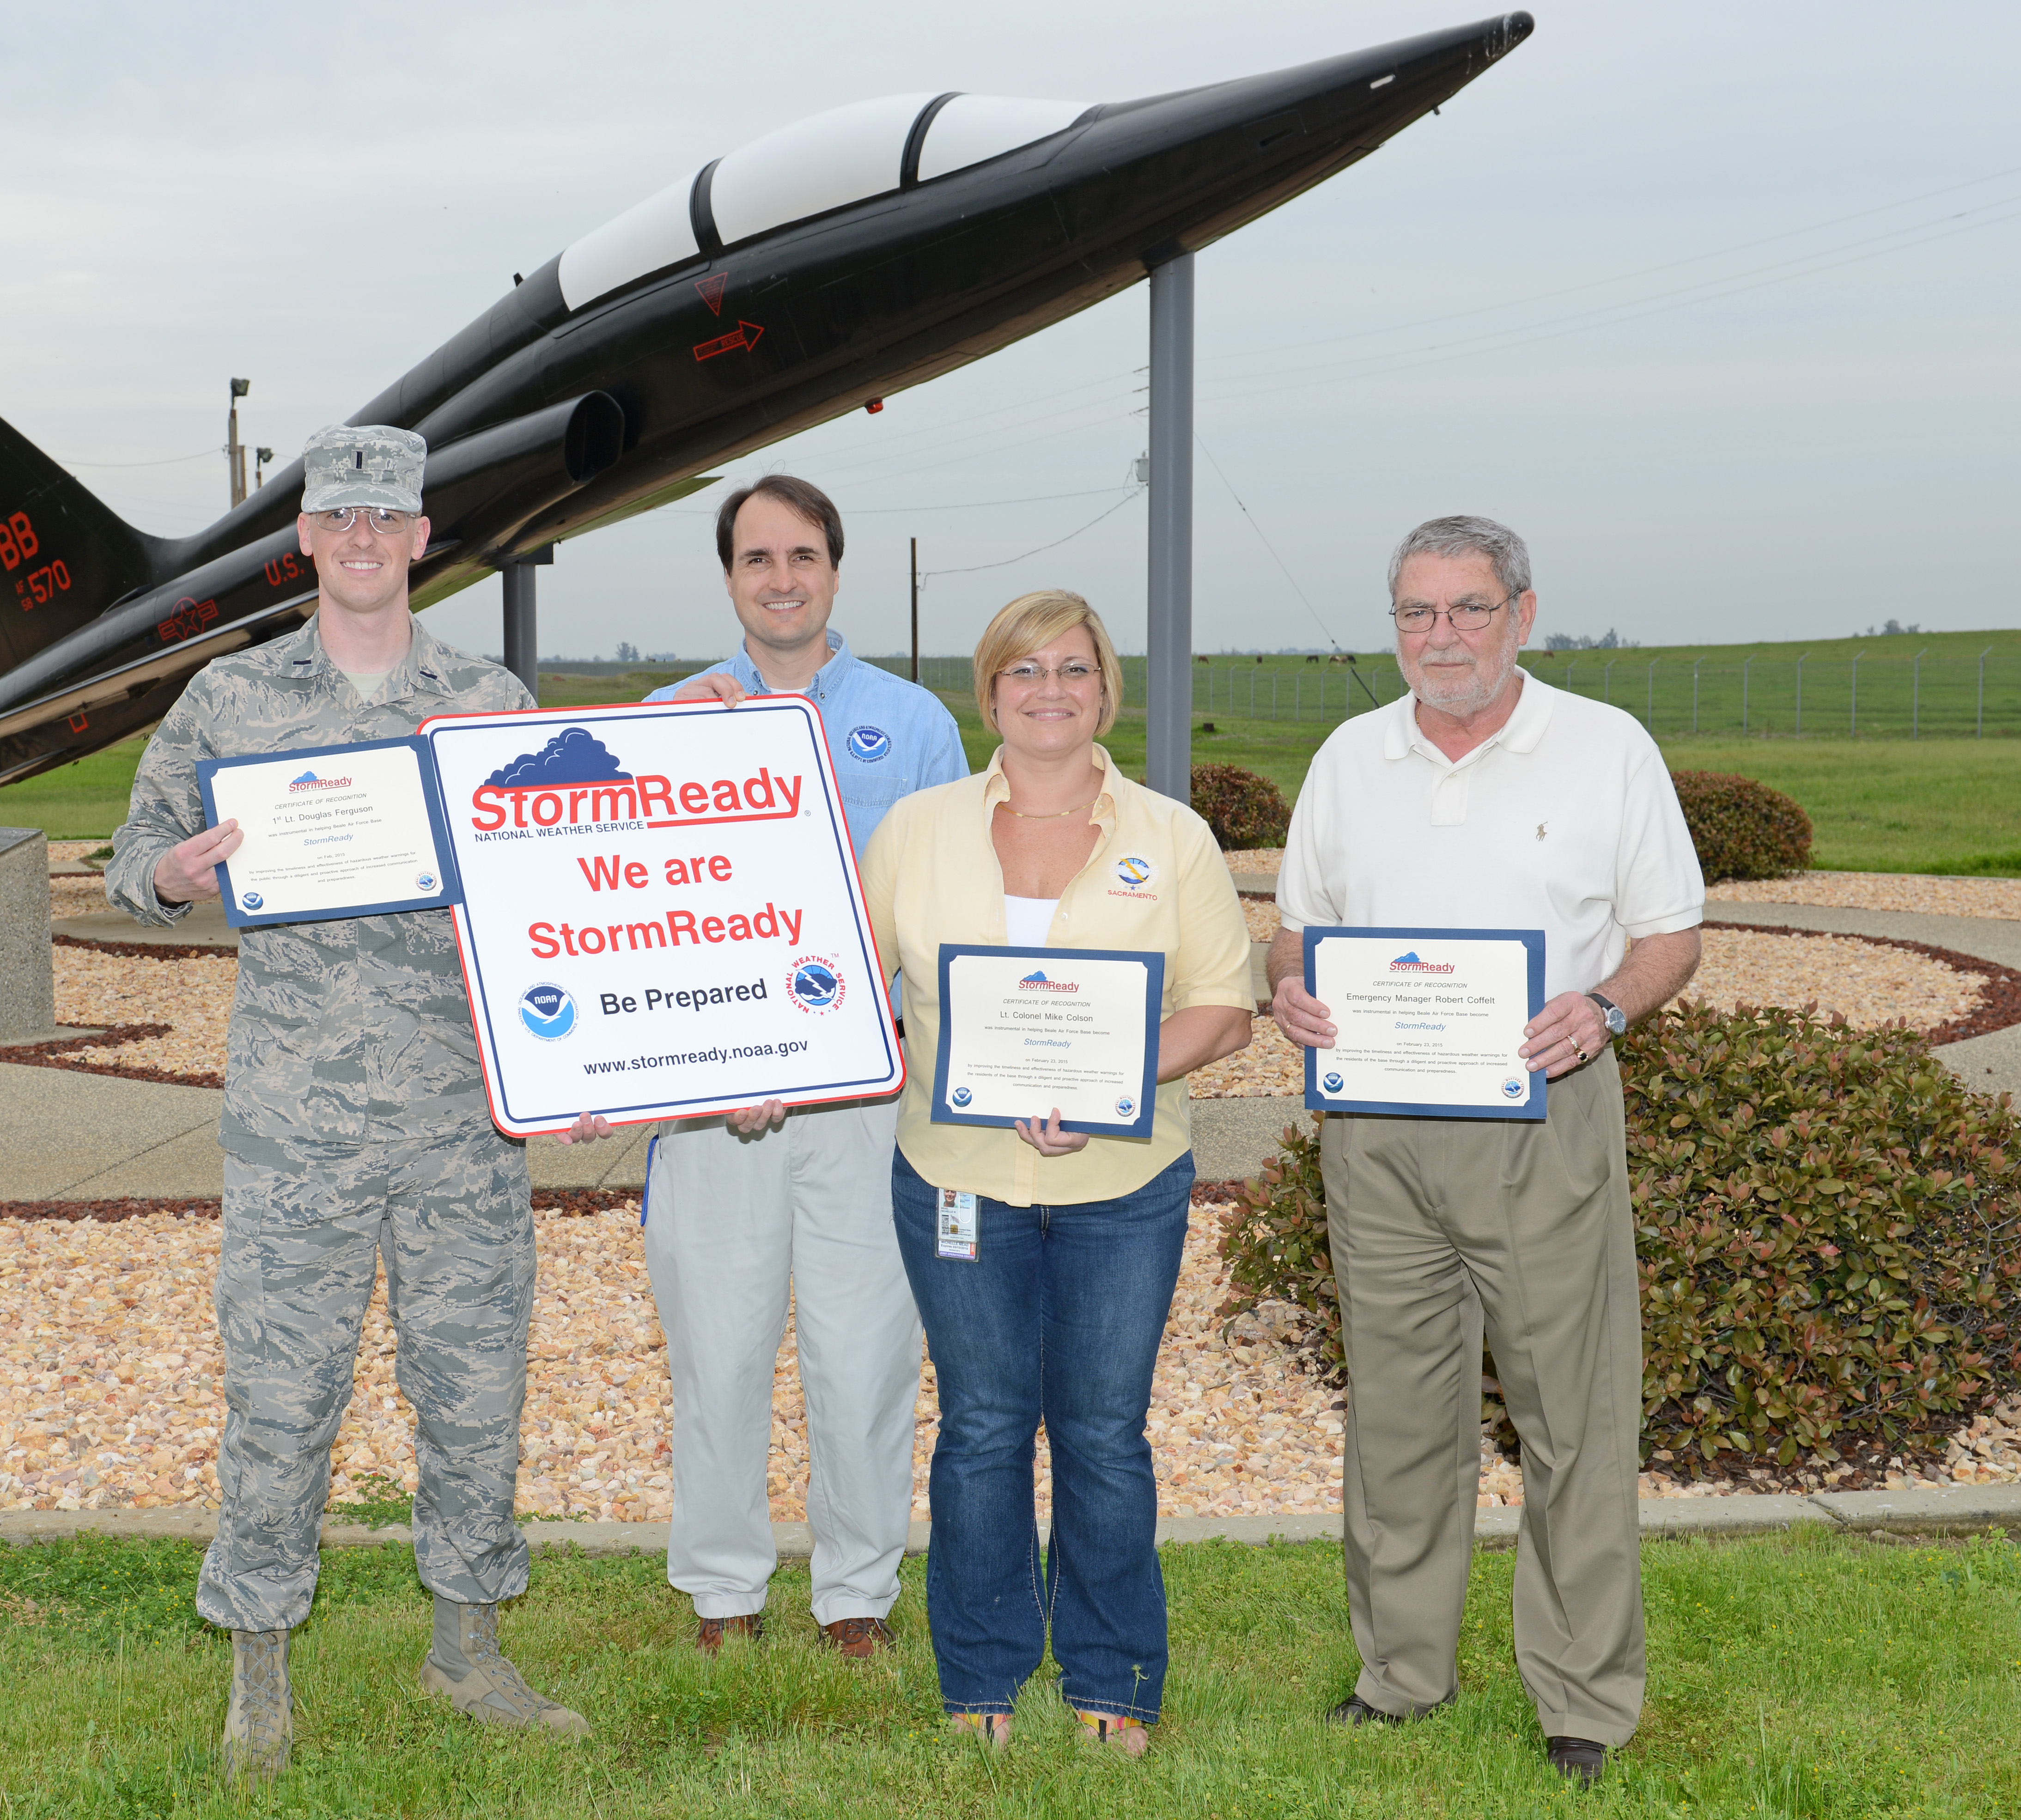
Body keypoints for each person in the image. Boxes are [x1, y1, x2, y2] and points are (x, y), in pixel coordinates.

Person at [106, 426, 587, 1788]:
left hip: (462, 1116)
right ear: (305, 538)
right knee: (279, 1392)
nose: (365, 536)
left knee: (476, 1382)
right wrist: (178, 876)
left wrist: (582, 1053)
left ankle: (468, 1648)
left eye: (390, 515)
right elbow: (129, 854)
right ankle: (259, 1667)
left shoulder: (488, 697)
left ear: (424, 535)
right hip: (296, 1122)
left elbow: (557, 892)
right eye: (340, 516)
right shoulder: (231, 698)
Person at [1269, 515, 1704, 1785]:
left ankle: (1581, 1696)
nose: (1439, 637)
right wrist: (1290, 989)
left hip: (1541, 1119)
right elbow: (1298, 930)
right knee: (1400, 1416)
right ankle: (1399, 1673)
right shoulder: (1350, 756)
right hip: (1379, 1135)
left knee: (1571, 1414)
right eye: (1415, 612)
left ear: (1519, 612)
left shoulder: (1602, 749)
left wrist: (1607, 1006)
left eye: (1466, 608)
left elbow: (1667, 935)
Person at [563, 474, 967, 1657]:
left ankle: (858, 1596)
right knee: (721, 1350)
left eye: (802, 555)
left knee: (867, 1356)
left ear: (835, 569)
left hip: (864, 1098)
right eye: (756, 558)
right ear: (730, 576)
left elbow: (942, 908)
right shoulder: (670, 716)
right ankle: (725, 1592)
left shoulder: (916, 720)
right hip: (711, 1104)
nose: (781, 577)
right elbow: (622, 903)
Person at [859, 589, 1253, 1754]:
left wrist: (1107, 1079)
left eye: (1072, 670)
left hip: (1123, 1189)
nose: (1048, 692)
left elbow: (1224, 1012)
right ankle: (980, 1673)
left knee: (1101, 1430)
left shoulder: (1170, 835)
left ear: (1104, 691)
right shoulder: (917, 830)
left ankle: (1114, 1676)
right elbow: (848, 983)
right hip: (957, 1179)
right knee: (981, 1425)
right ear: (989, 693)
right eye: (1023, 671)